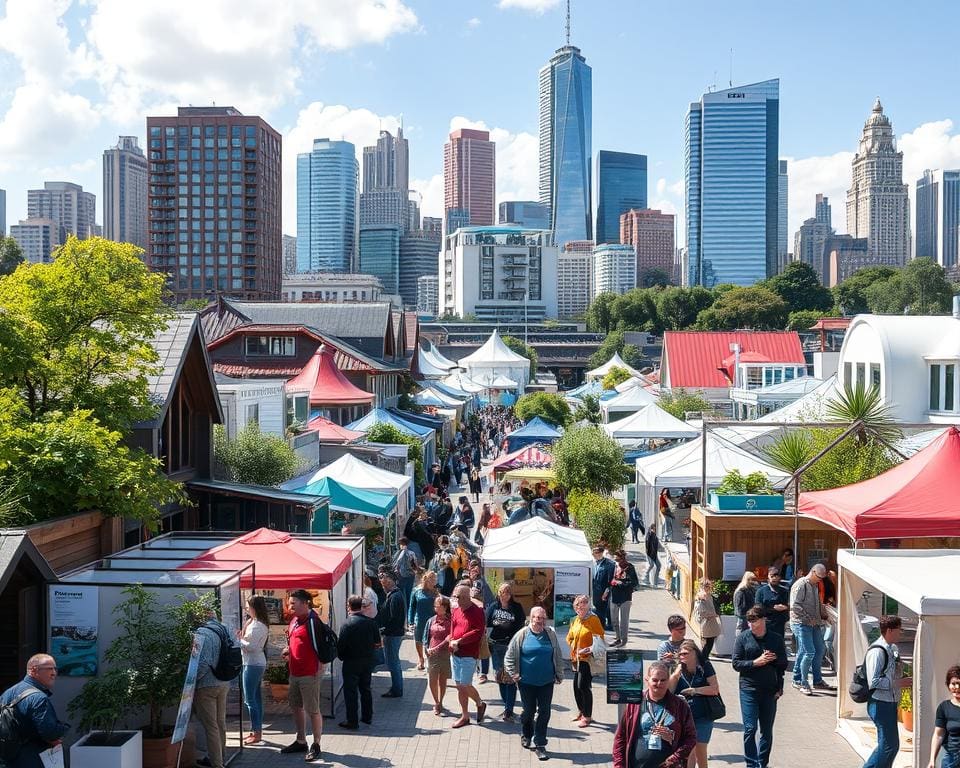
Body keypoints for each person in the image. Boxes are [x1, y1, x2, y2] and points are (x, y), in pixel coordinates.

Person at [504, 605, 565, 761]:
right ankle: (526, 733)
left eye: (543, 618)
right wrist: (514, 674)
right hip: (526, 682)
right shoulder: (522, 635)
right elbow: (509, 657)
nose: (540, 621)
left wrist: (559, 673)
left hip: (546, 681)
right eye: (537, 618)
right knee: (528, 712)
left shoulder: (550, 634)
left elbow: (557, 654)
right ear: (531, 618)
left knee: (544, 712)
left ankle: (540, 743)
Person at [612, 660, 698, 768]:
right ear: (647, 680)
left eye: (663, 680)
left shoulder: (680, 706)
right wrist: (619, 765)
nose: (659, 684)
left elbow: (691, 738)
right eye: (655, 680)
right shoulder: (635, 704)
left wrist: (673, 740)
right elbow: (621, 737)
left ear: (668, 681)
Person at [732, 606, 787, 768]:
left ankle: (762, 763)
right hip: (748, 689)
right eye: (749, 621)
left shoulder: (775, 639)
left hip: (770, 691)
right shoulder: (743, 638)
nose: (751, 625)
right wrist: (755, 662)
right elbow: (736, 663)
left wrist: (773, 659)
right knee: (750, 728)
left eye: (754, 621)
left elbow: (783, 664)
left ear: (763, 620)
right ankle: (751, 764)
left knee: (766, 730)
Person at [280, 590, 326, 762]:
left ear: (305, 603)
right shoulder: (294, 621)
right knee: (296, 706)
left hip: (309, 673)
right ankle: (301, 740)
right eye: (289, 603)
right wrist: (288, 651)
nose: (290, 606)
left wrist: (319, 667)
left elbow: (321, 648)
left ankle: (316, 745)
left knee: (312, 710)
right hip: (295, 672)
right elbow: (295, 642)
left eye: (293, 603)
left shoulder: (313, 622)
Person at [0, 654, 68, 768]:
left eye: (55, 669)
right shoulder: (39, 698)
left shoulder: (9, 692)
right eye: (49, 669)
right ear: (33, 670)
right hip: (32, 757)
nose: (54, 673)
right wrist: (63, 728)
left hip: (9, 756)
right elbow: (50, 732)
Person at [864, 615, 911, 768]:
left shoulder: (893, 649)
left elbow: (892, 673)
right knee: (888, 746)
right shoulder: (877, 651)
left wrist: (903, 678)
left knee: (889, 746)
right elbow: (874, 681)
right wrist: (898, 683)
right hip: (880, 703)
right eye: (899, 630)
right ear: (890, 630)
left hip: (890, 702)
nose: (901, 633)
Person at [669, 640, 720, 768]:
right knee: (689, 751)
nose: (682, 656)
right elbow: (669, 691)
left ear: (694, 652)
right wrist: (676, 674)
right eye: (680, 654)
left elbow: (714, 689)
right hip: (684, 717)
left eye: (685, 653)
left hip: (703, 716)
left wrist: (695, 691)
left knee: (701, 752)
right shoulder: (678, 668)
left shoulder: (705, 666)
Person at [789, 563, 834, 695]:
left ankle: (817, 680)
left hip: (813, 623)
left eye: (822, 578)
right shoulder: (800, 584)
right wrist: (809, 618)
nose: (820, 580)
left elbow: (818, 603)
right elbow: (795, 606)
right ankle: (802, 682)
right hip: (801, 623)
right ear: (813, 572)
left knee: (820, 649)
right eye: (819, 577)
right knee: (808, 652)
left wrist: (824, 615)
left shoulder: (814, 585)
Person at [336, 595, 380, 730]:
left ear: (349, 607)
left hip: (351, 662)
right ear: (361, 607)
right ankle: (367, 716)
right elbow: (378, 643)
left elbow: (341, 646)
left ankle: (352, 720)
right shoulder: (371, 622)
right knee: (366, 688)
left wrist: (342, 656)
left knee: (351, 691)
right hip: (367, 661)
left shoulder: (347, 624)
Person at [194, 611, 232, 768]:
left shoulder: (202, 632)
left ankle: (217, 764)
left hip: (206, 685)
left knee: (211, 727)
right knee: (220, 723)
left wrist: (193, 680)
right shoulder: (224, 628)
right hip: (223, 682)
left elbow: (203, 663)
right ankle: (221, 757)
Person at [448, 583, 487, 728]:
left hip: (469, 655)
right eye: (455, 596)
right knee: (459, 685)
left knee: (464, 685)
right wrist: (452, 640)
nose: (455, 599)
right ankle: (465, 715)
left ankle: (479, 703)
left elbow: (478, 632)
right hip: (455, 653)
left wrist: (460, 640)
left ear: (465, 597)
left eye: (457, 597)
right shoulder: (456, 610)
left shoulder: (477, 612)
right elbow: (453, 626)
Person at [486, 581, 526, 721]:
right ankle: (506, 707)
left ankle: (509, 710)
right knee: (500, 678)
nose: (505, 595)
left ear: (511, 594)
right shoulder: (493, 607)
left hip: (511, 647)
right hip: (496, 646)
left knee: (509, 678)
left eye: (507, 592)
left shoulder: (516, 607)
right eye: (502, 592)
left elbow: (521, 625)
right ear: (499, 593)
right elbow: (487, 624)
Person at [566, 594, 605, 728]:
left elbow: (600, 640)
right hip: (576, 658)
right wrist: (573, 646)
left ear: (588, 606)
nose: (580, 608)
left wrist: (587, 649)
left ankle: (587, 716)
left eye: (583, 605)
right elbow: (569, 637)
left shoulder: (593, 619)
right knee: (576, 686)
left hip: (588, 659)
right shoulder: (575, 620)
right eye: (578, 606)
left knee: (583, 686)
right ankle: (581, 711)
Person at [237, 595, 269, 745]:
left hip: (253, 663)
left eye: (248, 606)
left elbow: (252, 647)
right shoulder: (254, 623)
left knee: (250, 699)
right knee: (255, 698)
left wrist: (239, 640)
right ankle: (256, 730)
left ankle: (256, 732)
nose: (246, 608)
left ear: (254, 607)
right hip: (253, 663)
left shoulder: (257, 626)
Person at [378, 571, 407, 699]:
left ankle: (396, 689)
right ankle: (397, 687)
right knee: (393, 661)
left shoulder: (395, 597)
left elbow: (395, 618)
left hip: (393, 634)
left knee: (393, 662)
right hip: (394, 633)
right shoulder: (396, 595)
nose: (383, 588)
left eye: (384, 586)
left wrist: (384, 631)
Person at [424, 595, 453, 715]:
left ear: (445, 607)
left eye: (438, 604)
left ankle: (441, 701)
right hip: (432, 654)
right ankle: (436, 702)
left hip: (445, 654)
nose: (435, 606)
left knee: (442, 679)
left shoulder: (451, 621)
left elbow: (452, 637)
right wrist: (426, 649)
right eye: (435, 604)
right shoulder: (431, 620)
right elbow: (425, 637)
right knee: (432, 679)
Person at [928, 664, 960, 768]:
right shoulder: (944, 707)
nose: (957, 688)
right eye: (953, 684)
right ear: (948, 685)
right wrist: (932, 760)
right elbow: (938, 734)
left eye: (959, 684)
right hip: (951, 759)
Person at [408, 570, 440, 671]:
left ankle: (430, 659)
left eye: (435, 579)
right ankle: (421, 659)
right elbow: (412, 607)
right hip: (420, 620)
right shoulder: (417, 591)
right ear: (426, 579)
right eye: (432, 579)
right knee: (418, 640)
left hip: (432, 620)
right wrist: (411, 621)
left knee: (431, 641)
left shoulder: (436, 592)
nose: (433, 581)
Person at [609, 549, 640, 647]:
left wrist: (621, 583)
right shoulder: (613, 567)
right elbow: (609, 580)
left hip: (625, 597)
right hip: (614, 596)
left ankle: (624, 640)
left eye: (618, 559)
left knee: (624, 621)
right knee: (614, 619)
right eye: (616, 560)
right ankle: (617, 638)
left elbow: (634, 583)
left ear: (623, 558)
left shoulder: (629, 567)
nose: (617, 562)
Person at [753, 567, 789, 637]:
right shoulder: (761, 591)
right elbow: (757, 608)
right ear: (768, 577)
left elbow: (789, 605)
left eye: (776, 576)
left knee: (779, 644)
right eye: (772, 576)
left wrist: (785, 607)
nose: (774, 578)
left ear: (779, 577)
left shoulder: (784, 591)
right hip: (766, 622)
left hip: (780, 623)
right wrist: (773, 609)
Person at [692, 579, 722, 658]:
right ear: (702, 586)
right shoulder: (702, 596)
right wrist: (713, 615)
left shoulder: (708, 595)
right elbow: (702, 612)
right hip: (707, 621)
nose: (709, 587)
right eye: (707, 586)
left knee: (709, 641)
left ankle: (704, 657)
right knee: (708, 642)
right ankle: (703, 658)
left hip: (710, 621)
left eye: (709, 586)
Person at [591, 545, 615, 631]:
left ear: (601, 553)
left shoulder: (609, 564)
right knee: (597, 607)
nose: (593, 555)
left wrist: (607, 591)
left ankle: (604, 625)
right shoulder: (593, 563)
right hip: (596, 590)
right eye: (593, 553)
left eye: (595, 553)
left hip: (604, 590)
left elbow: (611, 580)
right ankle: (601, 625)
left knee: (604, 608)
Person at [392, 538, 421, 608]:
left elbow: (395, 565)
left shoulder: (398, 553)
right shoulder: (411, 553)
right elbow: (415, 565)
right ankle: (408, 608)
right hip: (410, 575)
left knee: (401, 593)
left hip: (401, 576)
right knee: (409, 593)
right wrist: (417, 570)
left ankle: (402, 608)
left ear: (401, 544)